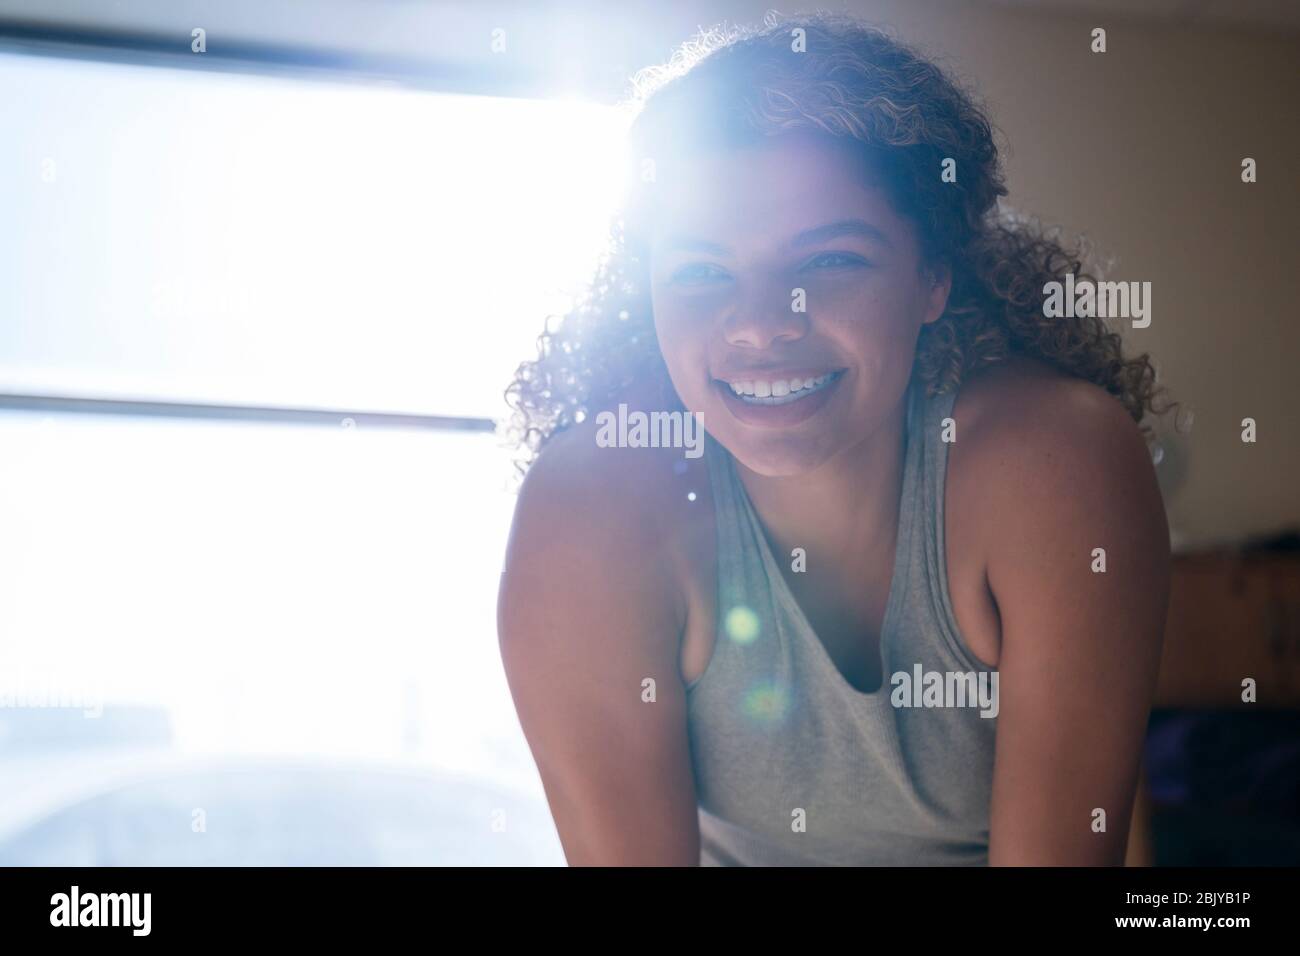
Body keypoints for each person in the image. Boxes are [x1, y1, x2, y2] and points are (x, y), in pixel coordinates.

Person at [497, 12, 1171, 865]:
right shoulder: (589, 506)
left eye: (829, 262)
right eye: (702, 272)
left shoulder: (1057, 464)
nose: (762, 325)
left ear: (932, 277)